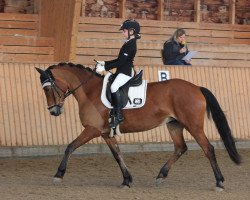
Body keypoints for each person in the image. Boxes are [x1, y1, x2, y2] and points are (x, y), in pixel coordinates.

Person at [95, 19, 141, 129]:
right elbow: (119, 59)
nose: (122, 33)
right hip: (121, 70)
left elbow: (121, 62)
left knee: (114, 87)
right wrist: (104, 63)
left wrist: (105, 68)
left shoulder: (131, 44)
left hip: (126, 72)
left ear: (132, 31)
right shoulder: (128, 42)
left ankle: (118, 114)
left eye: (124, 31)